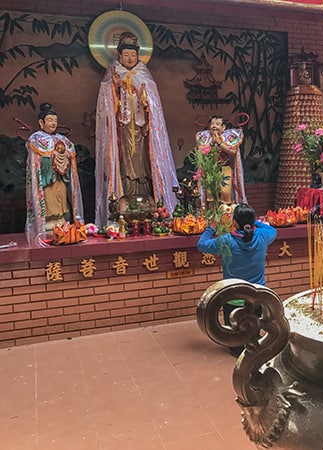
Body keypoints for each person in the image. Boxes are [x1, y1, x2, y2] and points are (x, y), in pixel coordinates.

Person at [95, 31, 178, 227]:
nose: (130, 58)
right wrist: (114, 88)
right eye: (126, 55)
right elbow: (105, 105)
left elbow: (153, 104)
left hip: (141, 129)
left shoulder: (144, 75)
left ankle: (147, 197)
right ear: (119, 56)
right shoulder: (112, 75)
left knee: (141, 162)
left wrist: (145, 98)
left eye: (133, 54)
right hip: (122, 128)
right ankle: (125, 199)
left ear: (138, 55)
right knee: (125, 161)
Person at [197, 203, 276, 355]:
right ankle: (253, 342)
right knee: (253, 328)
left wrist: (212, 226)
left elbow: (201, 245)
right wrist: (253, 223)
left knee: (235, 338)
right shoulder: (263, 236)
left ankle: (238, 347)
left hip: (233, 298)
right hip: (258, 296)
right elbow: (271, 229)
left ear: (234, 222)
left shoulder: (227, 241)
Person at [25, 102, 84, 245]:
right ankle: (48, 225)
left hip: (60, 178)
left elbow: (70, 152)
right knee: (49, 202)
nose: (53, 124)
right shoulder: (36, 139)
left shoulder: (62, 140)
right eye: (50, 120)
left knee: (61, 202)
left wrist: (62, 160)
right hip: (47, 178)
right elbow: (36, 160)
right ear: (41, 122)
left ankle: (62, 223)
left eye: (55, 120)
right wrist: (50, 160)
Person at [195, 115, 247, 206]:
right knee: (211, 194)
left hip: (225, 168)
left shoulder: (228, 138)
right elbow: (201, 151)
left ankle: (226, 214)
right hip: (210, 169)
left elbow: (233, 151)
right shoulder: (206, 138)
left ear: (223, 127)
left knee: (226, 192)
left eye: (217, 124)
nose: (214, 126)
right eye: (212, 124)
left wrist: (220, 143)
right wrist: (211, 143)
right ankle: (212, 214)